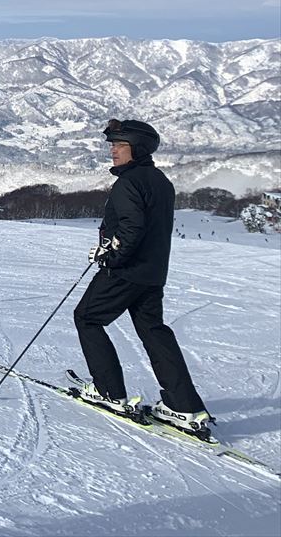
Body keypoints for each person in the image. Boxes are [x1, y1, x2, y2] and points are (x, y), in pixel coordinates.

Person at [73, 118, 211, 433]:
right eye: (112, 145)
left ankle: (109, 392)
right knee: (153, 331)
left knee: (87, 318)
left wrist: (110, 254)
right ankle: (183, 406)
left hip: (126, 271)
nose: (113, 151)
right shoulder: (161, 181)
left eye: (120, 145)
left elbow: (131, 228)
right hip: (152, 272)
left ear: (137, 148)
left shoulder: (129, 183)